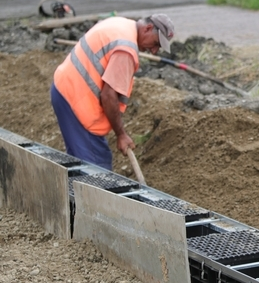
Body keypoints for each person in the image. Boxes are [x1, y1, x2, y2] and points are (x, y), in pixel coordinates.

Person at [50, 14, 175, 170]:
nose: (154, 51)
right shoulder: (126, 50)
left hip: (65, 88)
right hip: (77, 102)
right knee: (97, 170)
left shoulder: (121, 24)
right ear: (148, 28)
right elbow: (108, 96)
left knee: (81, 164)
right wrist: (121, 134)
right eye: (156, 43)